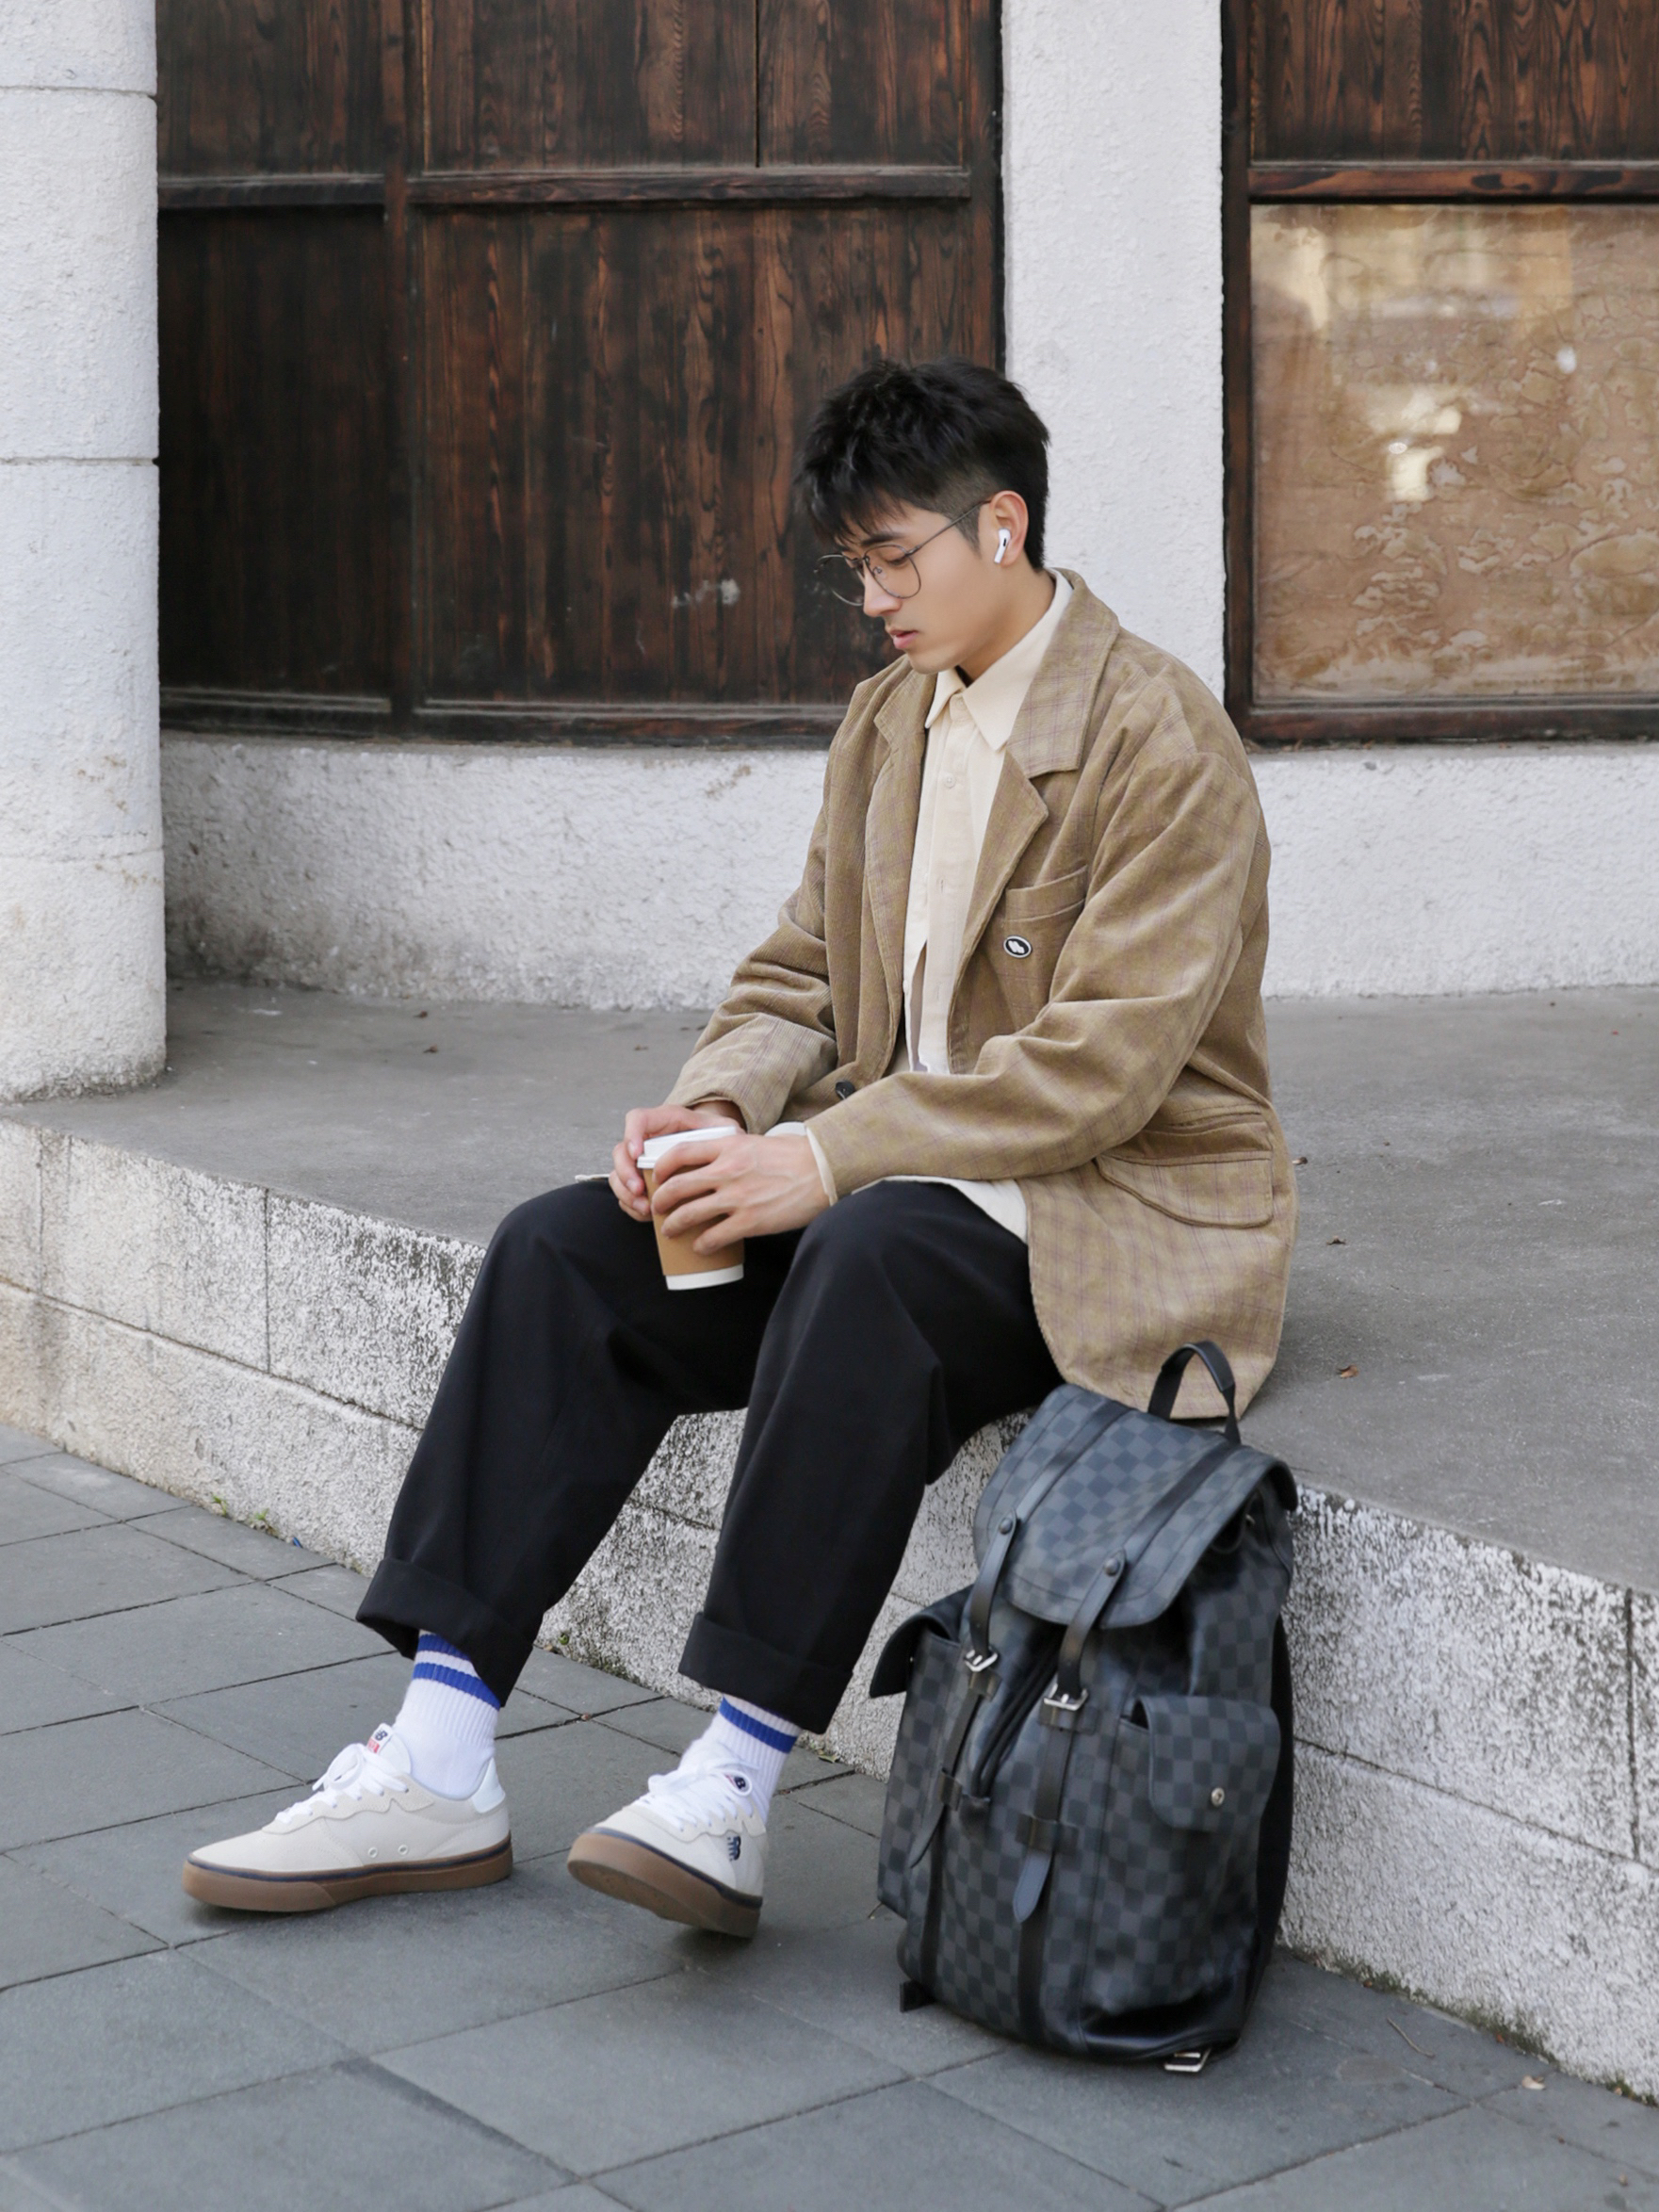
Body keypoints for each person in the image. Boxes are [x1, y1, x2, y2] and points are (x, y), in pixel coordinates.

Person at [183, 357, 1297, 1936]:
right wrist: (717, 1114)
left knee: (868, 1253)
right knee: (566, 1250)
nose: (871, 600)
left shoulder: (1156, 734)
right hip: (894, 1188)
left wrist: (826, 1159)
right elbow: (799, 972)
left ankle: (732, 1779)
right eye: (854, 567)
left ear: (1002, 525)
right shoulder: (889, 719)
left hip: (1099, 1207)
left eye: (893, 558)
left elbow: (1102, 1070)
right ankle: (437, 1754)